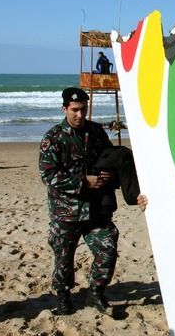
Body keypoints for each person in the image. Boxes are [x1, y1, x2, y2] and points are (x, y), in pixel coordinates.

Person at [39, 87, 144, 316]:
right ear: (64, 108)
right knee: (64, 257)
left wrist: (109, 176)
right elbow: (48, 174)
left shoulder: (95, 132)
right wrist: (83, 182)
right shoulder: (53, 138)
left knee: (107, 247)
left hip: (96, 210)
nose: (79, 115)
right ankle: (63, 296)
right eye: (74, 110)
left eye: (83, 109)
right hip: (66, 212)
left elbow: (109, 159)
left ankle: (96, 292)